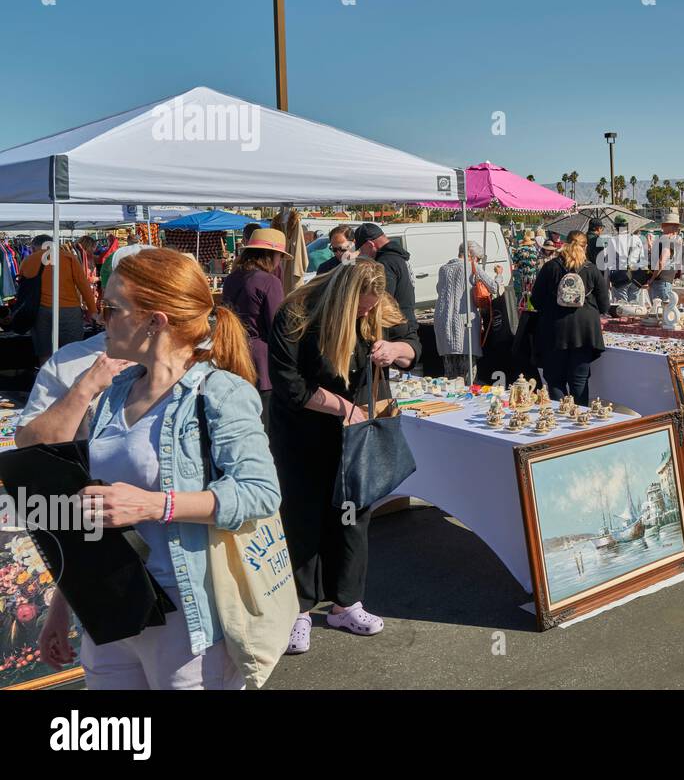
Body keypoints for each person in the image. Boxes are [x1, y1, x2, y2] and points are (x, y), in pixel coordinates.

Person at [35, 248, 279, 689]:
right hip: (111, 609)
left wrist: (155, 505)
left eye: (111, 308)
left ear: (155, 320)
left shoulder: (219, 392)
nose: (99, 317)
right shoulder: (115, 392)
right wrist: (62, 604)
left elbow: (259, 491)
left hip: (186, 619)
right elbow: (92, 509)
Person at [268, 258, 419, 654]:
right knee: (304, 516)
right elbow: (290, 386)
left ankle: (346, 602)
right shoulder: (297, 315)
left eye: (372, 307)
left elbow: (414, 344)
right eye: (362, 307)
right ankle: (299, 609)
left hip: (357, 434)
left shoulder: (377, 310)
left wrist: (395, 348)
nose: (367, 313)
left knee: (353, 514)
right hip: (304, 432)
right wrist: (342, 408)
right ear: (343, 297)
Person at [530, 231, 609, 405]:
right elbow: (605, 305)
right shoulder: (591, 269)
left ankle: (561, 421)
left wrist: (551, 308)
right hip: (585, 332)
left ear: (565, 244)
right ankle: (580, 421)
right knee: (579, 380)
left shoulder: (551, 267)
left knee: (556, 380)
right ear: (586, 246)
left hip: (554, 330)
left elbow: (535, 299)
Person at [221, 227, 291, 421]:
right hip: (261, 362)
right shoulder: (269, 282)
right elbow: (277, 327)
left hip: (233, 353)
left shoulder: (232, 278)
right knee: (264, 424)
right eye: (279, 256)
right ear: (271, 255)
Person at [18, 235, 99, 363]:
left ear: (34, 247)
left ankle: (46, 380)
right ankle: (69, 381)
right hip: (69, 311)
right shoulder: (68, 257)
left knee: (45, 353)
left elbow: (22, 288)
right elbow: (83, 285)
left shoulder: (28, 261)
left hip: (40, 312)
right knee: (72, 352)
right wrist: (92, 310)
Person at [433, 242, 504, 381]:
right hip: (464, 322)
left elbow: (439, 290)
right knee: (468, 374)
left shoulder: (443, 269)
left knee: (450, 374)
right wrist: (499, 275)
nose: (477, 261)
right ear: (471, 255)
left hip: (443, 321)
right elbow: (495, 288)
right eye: (477, 258)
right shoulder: (472, 266)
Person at [353, 223, 416, 330]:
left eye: (361, 251)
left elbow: (381, 298)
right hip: (406, 320)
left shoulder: (384, 263)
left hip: (395, 325)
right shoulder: (399, 257)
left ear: (370, 245)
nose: (361, 255)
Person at [648, 212, 684, 305]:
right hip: (664, 282)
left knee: (659, 313)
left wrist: (652, 278)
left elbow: (661, 262)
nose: (677, 229)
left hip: (660, 282)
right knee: (662, 313)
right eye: (676, 227)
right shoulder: (670, 240)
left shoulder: (666, 240)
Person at [511, 230, 541, 299]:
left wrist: (521, 262)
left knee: (523, 292)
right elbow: (538, 262)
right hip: (532, 275)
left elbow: (514, 261)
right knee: (531, 291)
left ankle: (523, 304)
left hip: (522, 274)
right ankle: (530, 305)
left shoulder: (518, 250)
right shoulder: (534, 250)